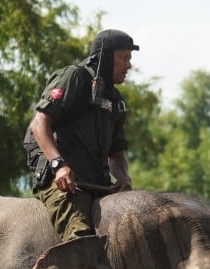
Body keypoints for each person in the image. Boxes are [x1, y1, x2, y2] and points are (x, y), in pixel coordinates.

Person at [24, 29, 139, 242]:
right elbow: (39, 123)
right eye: (123, 58)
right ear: (105, 57)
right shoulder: (74, 77)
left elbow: (116, 154)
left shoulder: (116, 100)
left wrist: (123, 176)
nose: (129, 66)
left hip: (97, 184)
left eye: (129, 59)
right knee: (82, 242)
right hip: (61, 182)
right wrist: (59, 165)